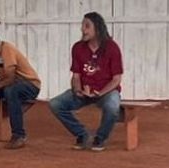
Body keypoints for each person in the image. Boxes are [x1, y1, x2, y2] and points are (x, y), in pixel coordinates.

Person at [49, 12, 125, 152]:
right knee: (55, 104)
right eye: (82, 26)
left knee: (113, 106)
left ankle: (100, 138)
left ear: (98, 28)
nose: (83, 30)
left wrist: (100, 92)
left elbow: (116, 79)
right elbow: (76, 76)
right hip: (84, 92)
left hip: (105, 92)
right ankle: (82, 134)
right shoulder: (78, 48)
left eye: (87, 26)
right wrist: (78, 90)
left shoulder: (112, 47)